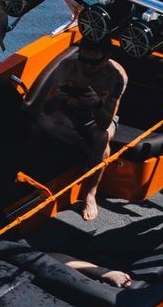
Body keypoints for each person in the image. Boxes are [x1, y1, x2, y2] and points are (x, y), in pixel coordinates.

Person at [35, 39, 127, 222]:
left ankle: (90, 194)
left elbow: (104, 122)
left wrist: (97, 104)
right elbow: (46, 109)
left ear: (106, 58)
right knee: (41, 123)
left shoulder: (116, 76)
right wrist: (59, 98)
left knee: (101, 138)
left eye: (93, 62)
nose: (87, 66)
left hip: (99, 116)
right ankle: (83, 146)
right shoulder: (67, 67)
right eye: (83, 60)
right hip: (68, 113)